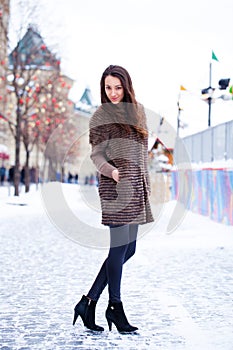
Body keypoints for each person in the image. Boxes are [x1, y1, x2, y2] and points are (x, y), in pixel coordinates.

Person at [73, 65, 154, 333]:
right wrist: (113, 171)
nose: (113, 93)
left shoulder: (138, 112)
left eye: (118, 87)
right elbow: (96, 155)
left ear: (126, 87)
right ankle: (114, 308)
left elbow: (143, 153)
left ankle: (88, 302)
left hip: (137, 189)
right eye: (108, 88)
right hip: (116, 189)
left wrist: (145, 184)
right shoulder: (100, 116)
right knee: (118, 249)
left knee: (128, 250)